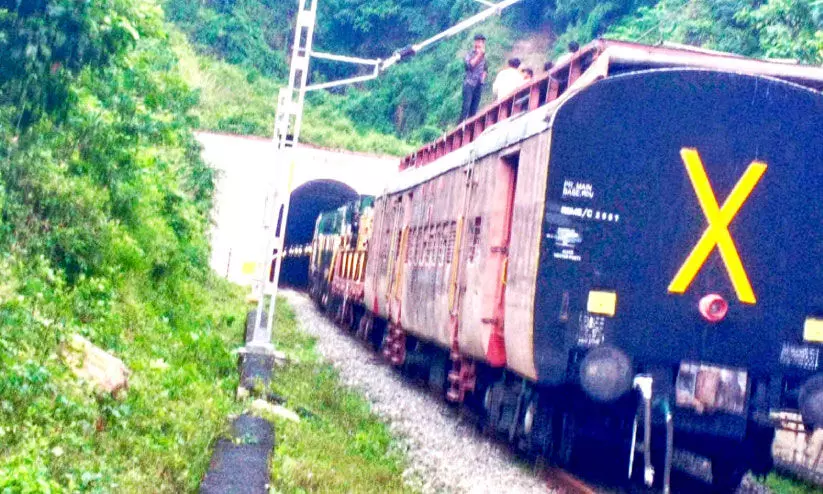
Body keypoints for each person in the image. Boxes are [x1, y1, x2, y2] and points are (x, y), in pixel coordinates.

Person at [460, 34, 487, 122]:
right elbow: (470, 66)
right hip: (469, 84)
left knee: (474, 109)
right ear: (475, 42)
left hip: (478, 85)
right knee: (466, 107)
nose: (480, 44)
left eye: (482, 42)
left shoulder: (484, 57)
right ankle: (460, 128)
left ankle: (470, 131)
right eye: (479, 41)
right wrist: (479, 55)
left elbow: (485, 69)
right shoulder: (469, 54)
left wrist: (482, 79)